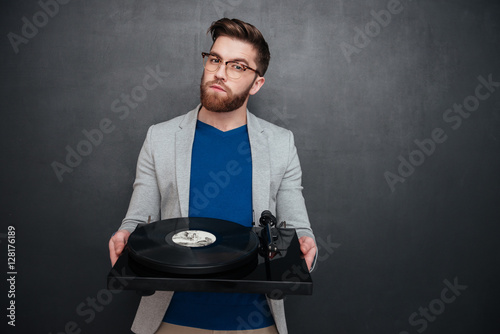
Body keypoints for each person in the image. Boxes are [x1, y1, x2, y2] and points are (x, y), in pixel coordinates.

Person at [108, 18, 317, 334]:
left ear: (257, 83)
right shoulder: (160, 137)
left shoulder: (280, 142)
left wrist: (305, 244)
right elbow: (138, 220)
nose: (220, 72)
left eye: (237, 66)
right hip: (172, 320)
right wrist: (125, 235)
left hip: (256, 323)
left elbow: (295, 226)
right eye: (215, 59)